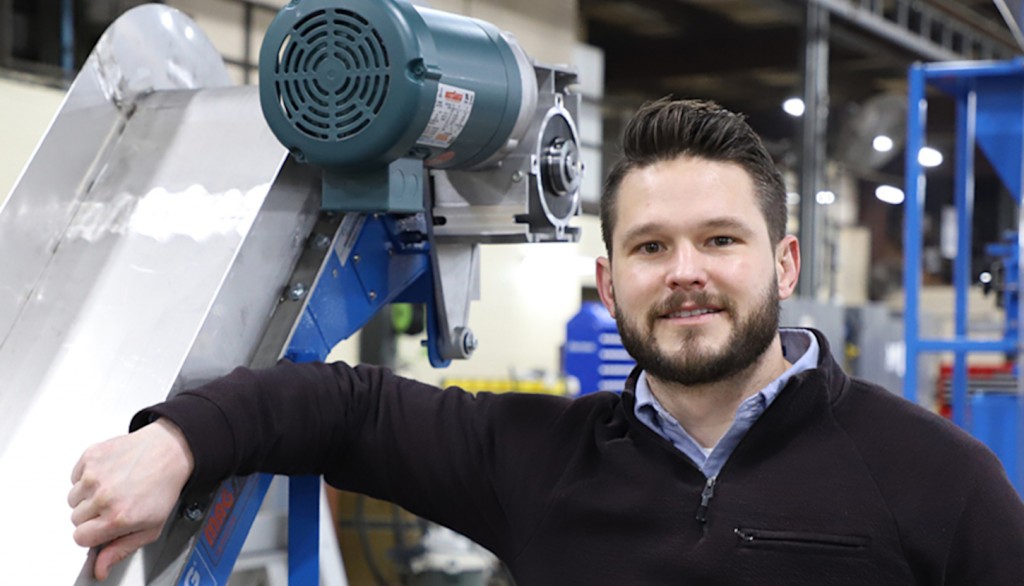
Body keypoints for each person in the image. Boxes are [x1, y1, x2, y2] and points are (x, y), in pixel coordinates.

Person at [70, 98, 1024, 584]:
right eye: (651, 247)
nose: (684, 271)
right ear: (611, 283)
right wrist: (178, 440)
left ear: (783, 263)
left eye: (719, 241)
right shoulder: (538, 462)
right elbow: (342, 406)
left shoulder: (943, 482)